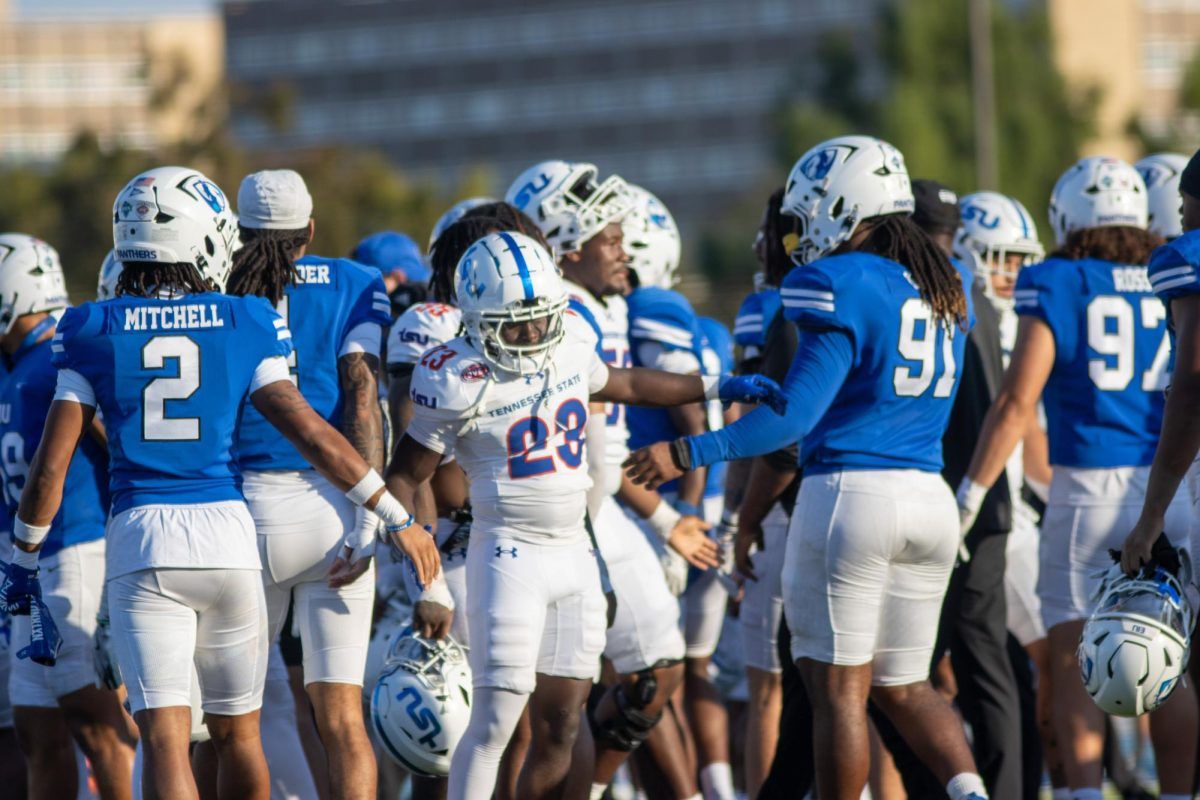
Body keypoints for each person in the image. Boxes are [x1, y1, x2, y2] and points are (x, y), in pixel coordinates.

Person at [0, 165, 440, 800]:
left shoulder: (88, 327)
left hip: (144, 542)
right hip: (228, 539)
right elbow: (316, 434)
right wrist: (394, 515)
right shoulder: (245, 319)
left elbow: (51, 467)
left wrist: (21, 561)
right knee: (242, 735)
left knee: (169, 741)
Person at [624, 135, 990, 799]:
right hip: (929, 499)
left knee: (838, 694)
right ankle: (971, 792)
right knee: (906, 687)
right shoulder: (941, 281)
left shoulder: (833, 280)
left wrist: (685, 451)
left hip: (852, 495)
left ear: (844, 205)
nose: (800, 231)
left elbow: (792, 419)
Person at [384, 230, 785, 800]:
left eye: (539, 318)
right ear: (473, 320)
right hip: (506, 550)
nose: (530, 333)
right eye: (513, 323)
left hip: (574, 548)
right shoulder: (455, 374)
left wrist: (720, 385)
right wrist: (423, 575)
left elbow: (628, 385)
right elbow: (406, 475)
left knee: (565, 722)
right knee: (497, 718)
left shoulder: (569, 334)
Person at [957, 156, 1196, 800]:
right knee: (1169, 662)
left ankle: (1085, 793)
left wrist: (971, 495)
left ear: (1069, 217)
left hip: (1089, 490)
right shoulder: (1170, 267)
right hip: (1169, 490)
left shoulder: (1059, 279)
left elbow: (1015, 403)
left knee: (1073, 661)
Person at [508, 162, 713, 800]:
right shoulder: (565, 312)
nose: (625, 253)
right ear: (567, 247)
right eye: (611, 238)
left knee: (656, 671)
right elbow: (595, 453)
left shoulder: (601, 305)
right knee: (552, 707)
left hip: (605, 507)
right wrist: (665, 519)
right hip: (572, 514)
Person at [227, 169, 393, 800]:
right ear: (312, 230)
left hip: (241, 510)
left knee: (231, 722)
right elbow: (361, 392)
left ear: (240, 233)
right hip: (333, 504)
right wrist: (369, 514)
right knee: (344, 721)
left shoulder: (219, 289)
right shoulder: (355, 281)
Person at [381, 200, 554, 800]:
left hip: (507, 545)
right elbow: (414, 464)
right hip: (452, 547)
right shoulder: (433, 327)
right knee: (452, 729)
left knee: (514, 724)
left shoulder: (512, 328)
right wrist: (428, 582)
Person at [0, 234, 138, 800]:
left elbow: (121, 439)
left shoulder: (63, 347)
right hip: (31, 562)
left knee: (97, 717)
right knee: (35, 724)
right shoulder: (19, 362)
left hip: (77, 547)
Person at [617, 181, 736, 800]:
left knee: (646, 677)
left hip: (662, 513)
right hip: (674, 508)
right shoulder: (699, 322)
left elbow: (695, 418)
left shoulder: (655, 305)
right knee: (666, 675)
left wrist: (684, 512)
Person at [954, 190, 1063, 800]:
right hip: (998, 516)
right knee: (1052, 657)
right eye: (1001, 258)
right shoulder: (986, 324)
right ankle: (1059, 779)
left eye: (1020, 259)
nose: (1013, 273)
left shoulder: (1014, 324)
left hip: (1003, 512)